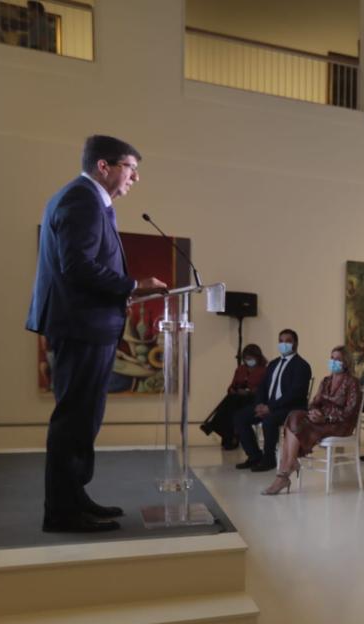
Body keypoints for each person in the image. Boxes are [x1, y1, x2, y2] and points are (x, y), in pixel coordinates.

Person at [25, 135, 166, 533]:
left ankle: (75, 497)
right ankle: (63, 512)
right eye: (130, 168)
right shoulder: (81, 200)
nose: (135, 178)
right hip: (81, 325)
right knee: (74, 420)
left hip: (89, 324)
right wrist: (132, 286)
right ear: (103, 166)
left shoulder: (87, 201)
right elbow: (78, 266)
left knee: (85, 419)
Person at [261, 347, 363, 495]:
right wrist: (314, 411)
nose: (333, 361)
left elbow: (350, 412)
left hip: (340, 424)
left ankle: (284, 473)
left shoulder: (352, 382)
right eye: (331, 358)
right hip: (321, 420)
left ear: (346, 362)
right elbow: (315, 402)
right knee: (294, 415)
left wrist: (326, 417)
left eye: (337, 359)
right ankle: (289, 466)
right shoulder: (326, 381)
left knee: (295, 426)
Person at [234, 329, 313, 472]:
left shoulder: (302, 366)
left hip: (291, 409)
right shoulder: (273, 364)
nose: (284, 344)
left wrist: (270, 407)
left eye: (287, 341)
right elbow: (262, 387)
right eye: (281, 341)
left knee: (269, 420)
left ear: (295, 343)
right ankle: (254, 456)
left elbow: (294, 394)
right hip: (269, 405)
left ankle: (269, 459)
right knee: (240, 417)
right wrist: (259, 404)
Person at [200, 344, 268, 450]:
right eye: (246, 358)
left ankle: (216, 426)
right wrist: (232, 390)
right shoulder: (240, 369)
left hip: (252, 398)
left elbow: (263, 389)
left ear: (257, 357)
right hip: (237, 397)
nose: (248, 360)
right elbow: (232, 385)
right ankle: (229, 434)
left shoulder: (263, 371)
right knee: (231, 401)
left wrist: (249, 392)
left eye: (250, 358)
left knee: (232, 404)